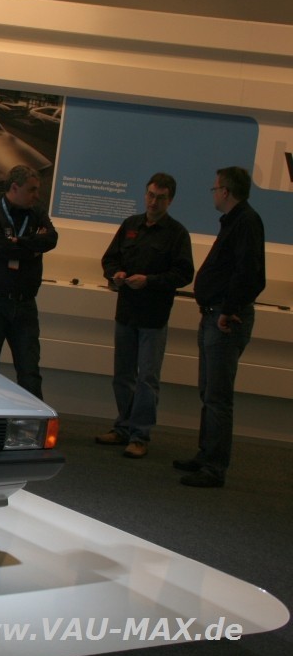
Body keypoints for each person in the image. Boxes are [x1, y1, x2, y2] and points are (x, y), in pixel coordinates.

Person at [174, 166, 266, 488]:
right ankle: (206, 455)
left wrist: (229, 309)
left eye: (215, 189)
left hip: (225, 320)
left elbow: (250, 272)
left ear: (226, 191)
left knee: (218, 397)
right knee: (209, 392)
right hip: (214, 316)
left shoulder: (246, 221)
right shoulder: (235, 221)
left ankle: (214, 467)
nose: (213, 193)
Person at [96, 173, 193, 458]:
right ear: (145, 194)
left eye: (160, 198)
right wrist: (115, 274)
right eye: (150, 195)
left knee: (147, 379)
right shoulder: (130, 225)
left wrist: (149, 281)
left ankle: (140, 436)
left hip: (154, 317)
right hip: (126, 313)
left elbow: (184, 274)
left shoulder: (177, 233)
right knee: (122, 376)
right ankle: (123, 427)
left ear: (170, 200)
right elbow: (109, 259)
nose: (153, 202)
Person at [0, 165, 58, 399]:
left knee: (29, 371)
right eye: (32, 190)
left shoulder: (37, 213)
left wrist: (17, 242)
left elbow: (51, 239)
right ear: (14, 187)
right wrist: (32, 247)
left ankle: (33, 419)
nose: (37, 195)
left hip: (25, 304)